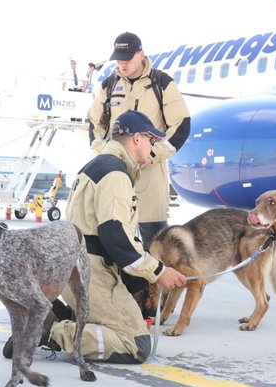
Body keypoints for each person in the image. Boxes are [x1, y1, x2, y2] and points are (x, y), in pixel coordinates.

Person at [47, 110, 187, 362]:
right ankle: (51, 332)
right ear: (136, 139)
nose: (153, 147)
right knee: (135, 344)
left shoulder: (98, 165)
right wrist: (158, 272)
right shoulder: (115, 173)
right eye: (151, 140)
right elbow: (115, 236)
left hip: (74, 270)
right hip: (91, 274)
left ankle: (58, 315)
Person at [86, 32, 190, 310]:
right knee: (113, 236)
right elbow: (94, 125)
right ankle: (121, 302)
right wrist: (106, 155)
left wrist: (153, 154)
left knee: (152, 243)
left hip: (149, 178)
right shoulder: (109, 84)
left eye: (127, 58)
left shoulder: (162, 83)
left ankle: (151, 305)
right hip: (115, 174)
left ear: (141, 54)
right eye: (118, 59)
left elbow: (181, 126)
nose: (122, 64)